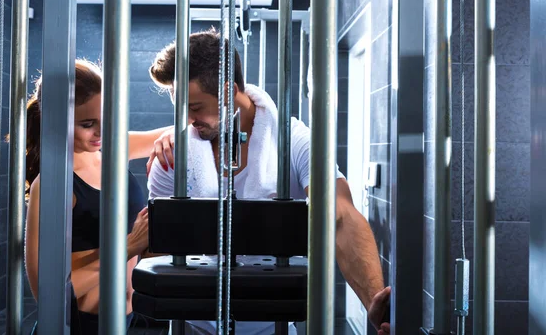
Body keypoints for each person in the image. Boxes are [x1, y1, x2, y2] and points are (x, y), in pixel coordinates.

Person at [146, 29, 391, 335]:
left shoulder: (295, 141)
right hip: (193, 323)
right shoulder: (173, 157)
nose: (187, 119)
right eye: (180, 108)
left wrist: (373, 300)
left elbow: (340, 216)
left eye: (195, 108)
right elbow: (155, 245)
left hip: (272, 323)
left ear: (227, 91)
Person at [24, 59, 173, 334]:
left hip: (125, 319)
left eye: (106, 119)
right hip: (82, 326)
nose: (100, 133)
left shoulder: (111, 149)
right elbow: (46, 296)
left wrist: (168, 139)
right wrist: (127, 248)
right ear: (57, 119)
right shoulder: (54, 184)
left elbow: (178, 133)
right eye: (87, 123)